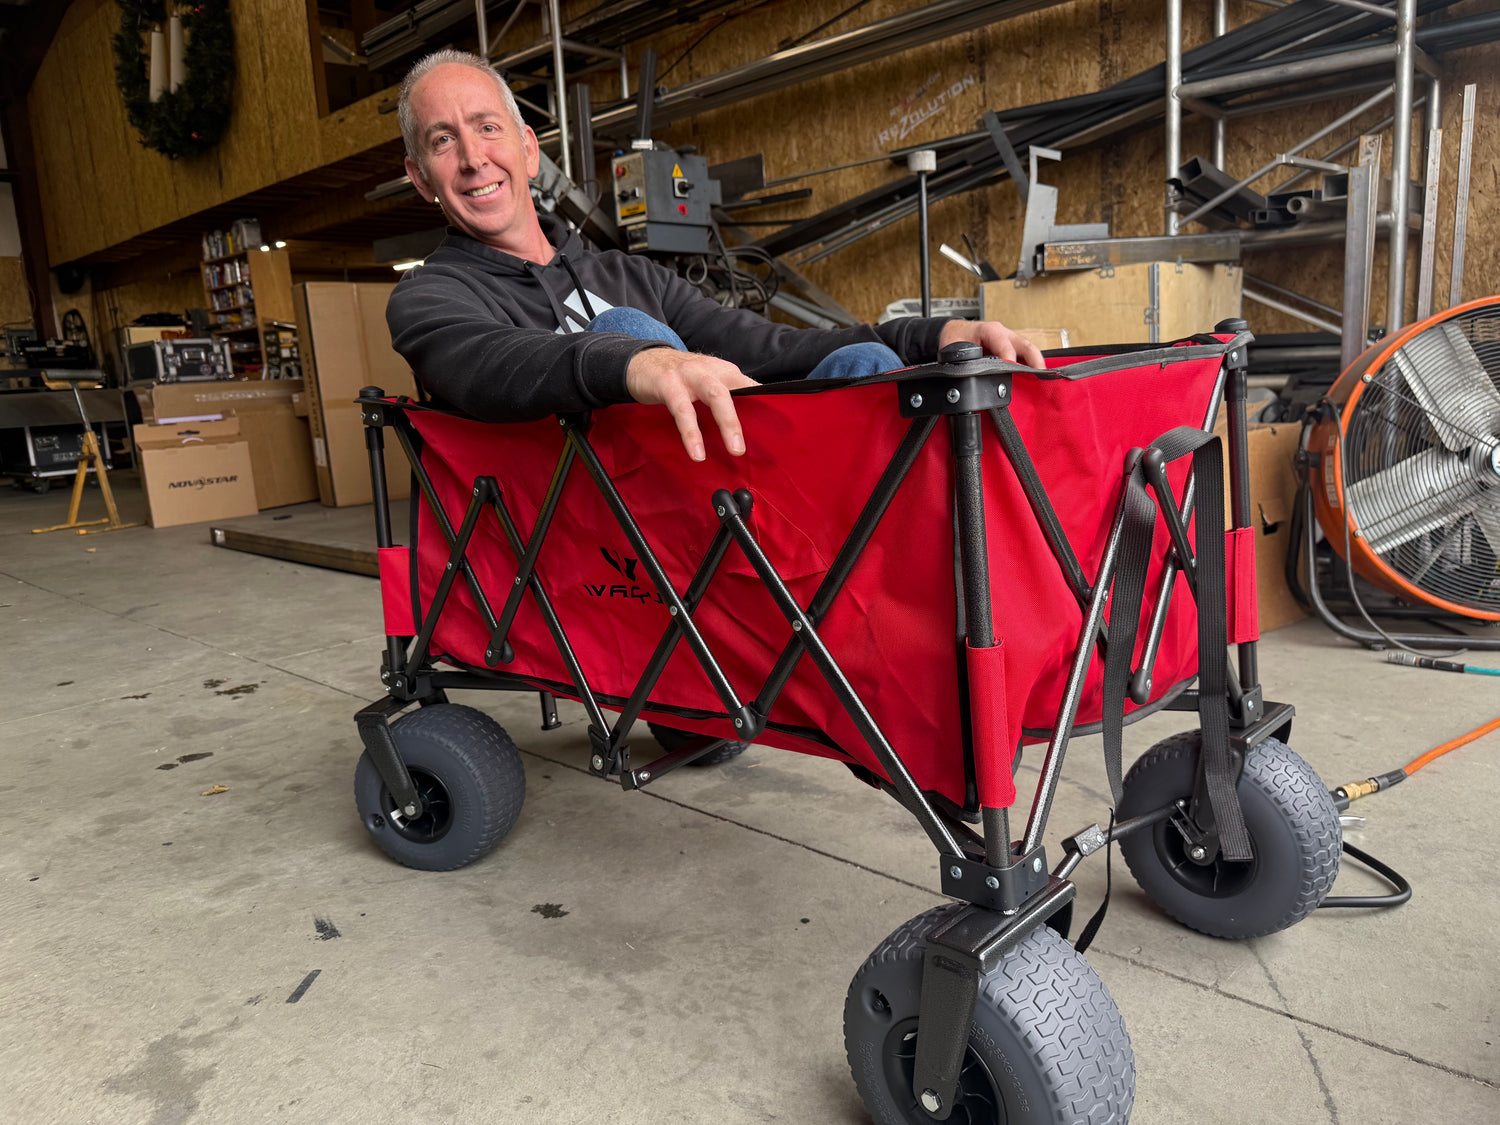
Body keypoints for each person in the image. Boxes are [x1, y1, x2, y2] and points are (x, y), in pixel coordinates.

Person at [386, 50, 1044, 462]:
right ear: (420, 178)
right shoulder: (429, 298)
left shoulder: (631, 273)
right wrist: (637, 362)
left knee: (868, 368)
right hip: (608, 539)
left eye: (487, 128)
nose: (472, 158)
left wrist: (932, 337)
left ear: (528, 150)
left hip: (733, 504)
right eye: (443, 142)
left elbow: (772, 348)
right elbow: (486, 366)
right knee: (626, 328)